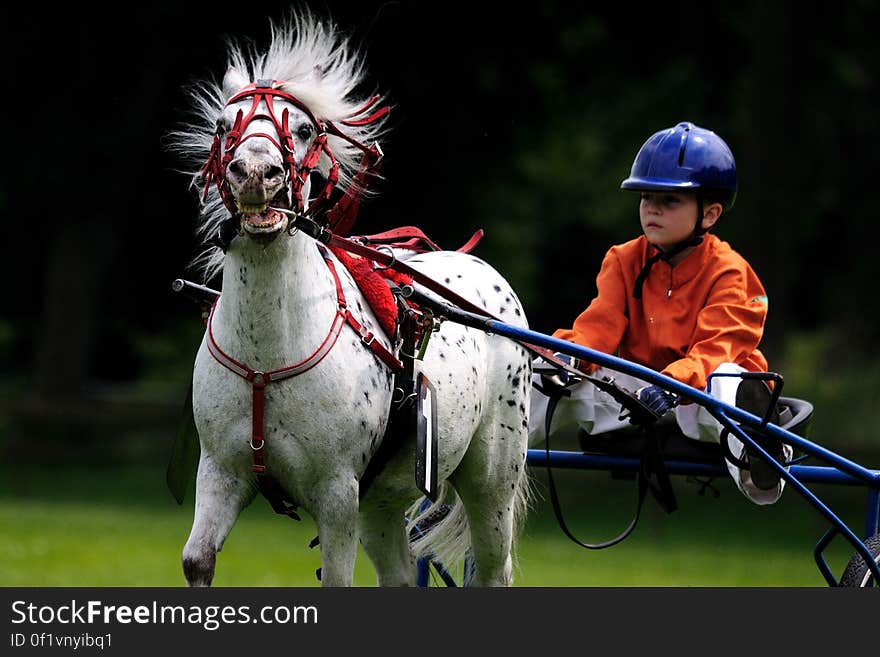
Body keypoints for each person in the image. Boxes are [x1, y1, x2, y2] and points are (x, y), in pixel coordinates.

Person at [529, 120, 791, 505]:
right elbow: (597, 332)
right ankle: (486, 461)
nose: (652, 207)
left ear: (710, 213)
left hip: (702, 403)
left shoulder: (730, 271)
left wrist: (671, 386)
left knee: (727, 378)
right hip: (639, 397)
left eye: (670, 200)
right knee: (545, 369)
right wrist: (565, 358)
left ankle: (762, 463)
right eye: (645, 196)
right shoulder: (622, 259)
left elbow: (714, 351)